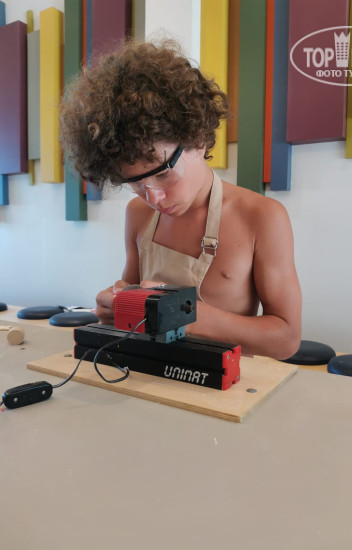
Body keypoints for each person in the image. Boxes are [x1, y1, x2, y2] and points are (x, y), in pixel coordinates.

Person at [60, 40, 302, 360]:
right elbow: (133, 303)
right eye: (136, 184)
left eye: (163, 174)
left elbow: (286, 339)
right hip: (146, 370)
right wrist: (115, 308)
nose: (154, 198)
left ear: (198, 140)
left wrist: (184, 315)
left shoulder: (261, 217)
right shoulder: (138, 214)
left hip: (224, 381)